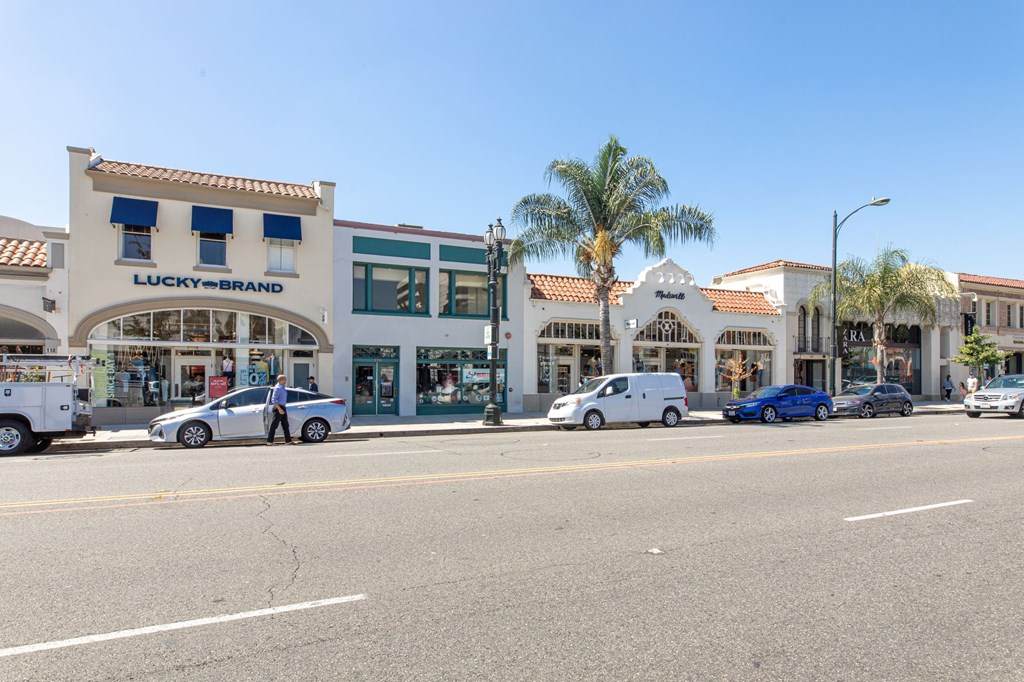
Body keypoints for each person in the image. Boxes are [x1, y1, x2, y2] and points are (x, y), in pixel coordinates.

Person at [266, 374, 297, 446]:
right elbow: (273, 400)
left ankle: (288, 441)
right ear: (281, 380)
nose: (285, 381)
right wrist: (279, 409)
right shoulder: (278, 388)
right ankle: (269, 441)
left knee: (285, 425)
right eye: (284, 379)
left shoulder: (282, 387)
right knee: (274, 425)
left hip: (283, 407)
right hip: (278, 408)